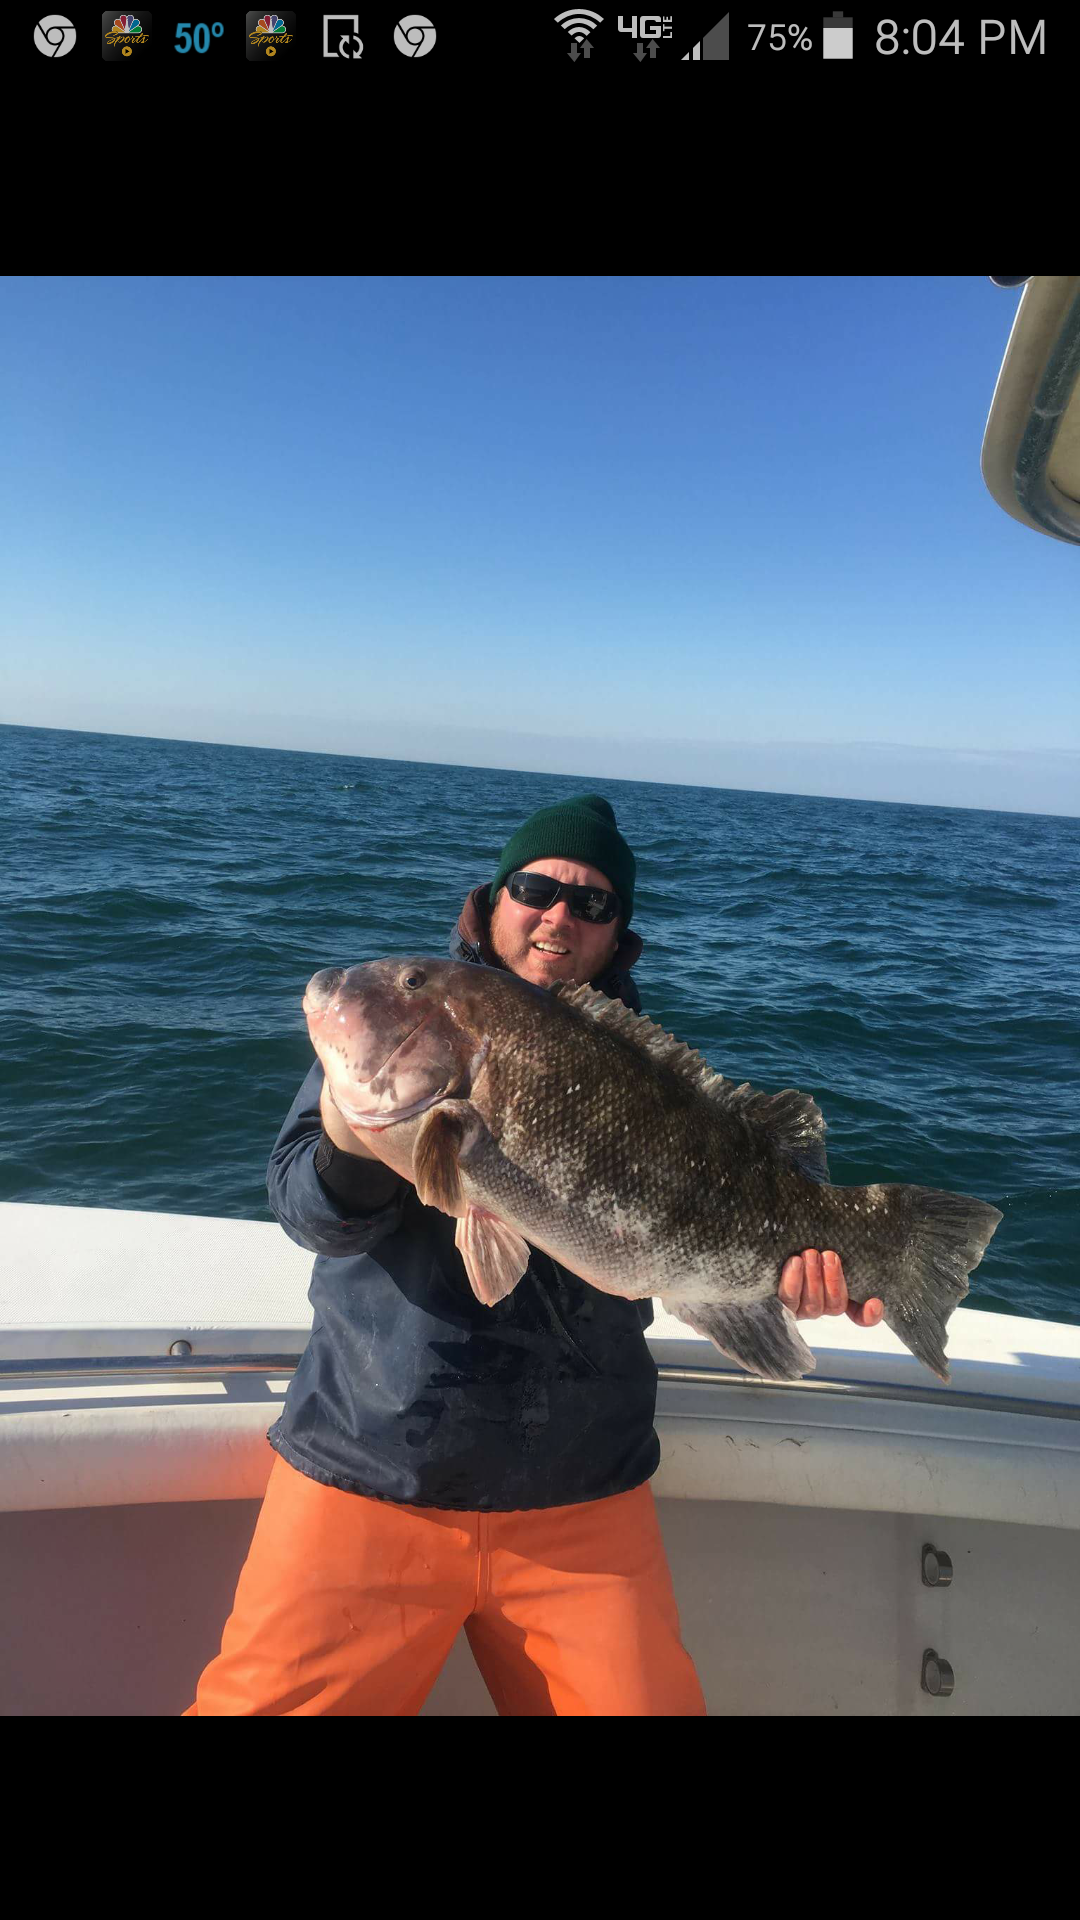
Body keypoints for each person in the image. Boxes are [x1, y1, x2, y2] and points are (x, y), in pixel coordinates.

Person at [184, 794, 883, 1717]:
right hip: (371, 1462)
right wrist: (354, 1144)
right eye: (536, 888)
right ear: (495, 899)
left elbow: (702, 1244)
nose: (559, 915)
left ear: (618, 933)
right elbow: (307, 1213)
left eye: (592, 904)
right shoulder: (417, 1025)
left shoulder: (654, 1080)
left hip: (581, 1491)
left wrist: (794, 1279)